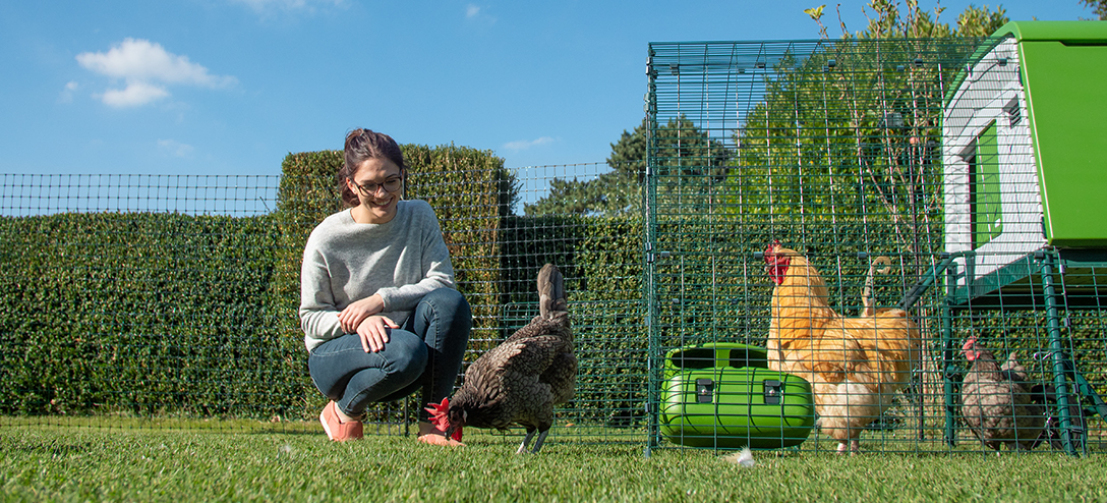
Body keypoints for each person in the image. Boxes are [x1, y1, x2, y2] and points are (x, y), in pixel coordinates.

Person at [299, 128, 471, 445]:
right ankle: (342, 411)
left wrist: (380, 300)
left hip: (405, 345)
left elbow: (443, 280)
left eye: (391, 181)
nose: (382, 193)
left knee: (450, 302)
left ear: (402, 174)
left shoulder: (419, 215)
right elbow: (311, 317)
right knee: (406, 352)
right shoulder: (326, 238)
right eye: (369, 185)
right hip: (336, 357)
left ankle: (432, 425)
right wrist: (358, 321)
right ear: (351, 184)